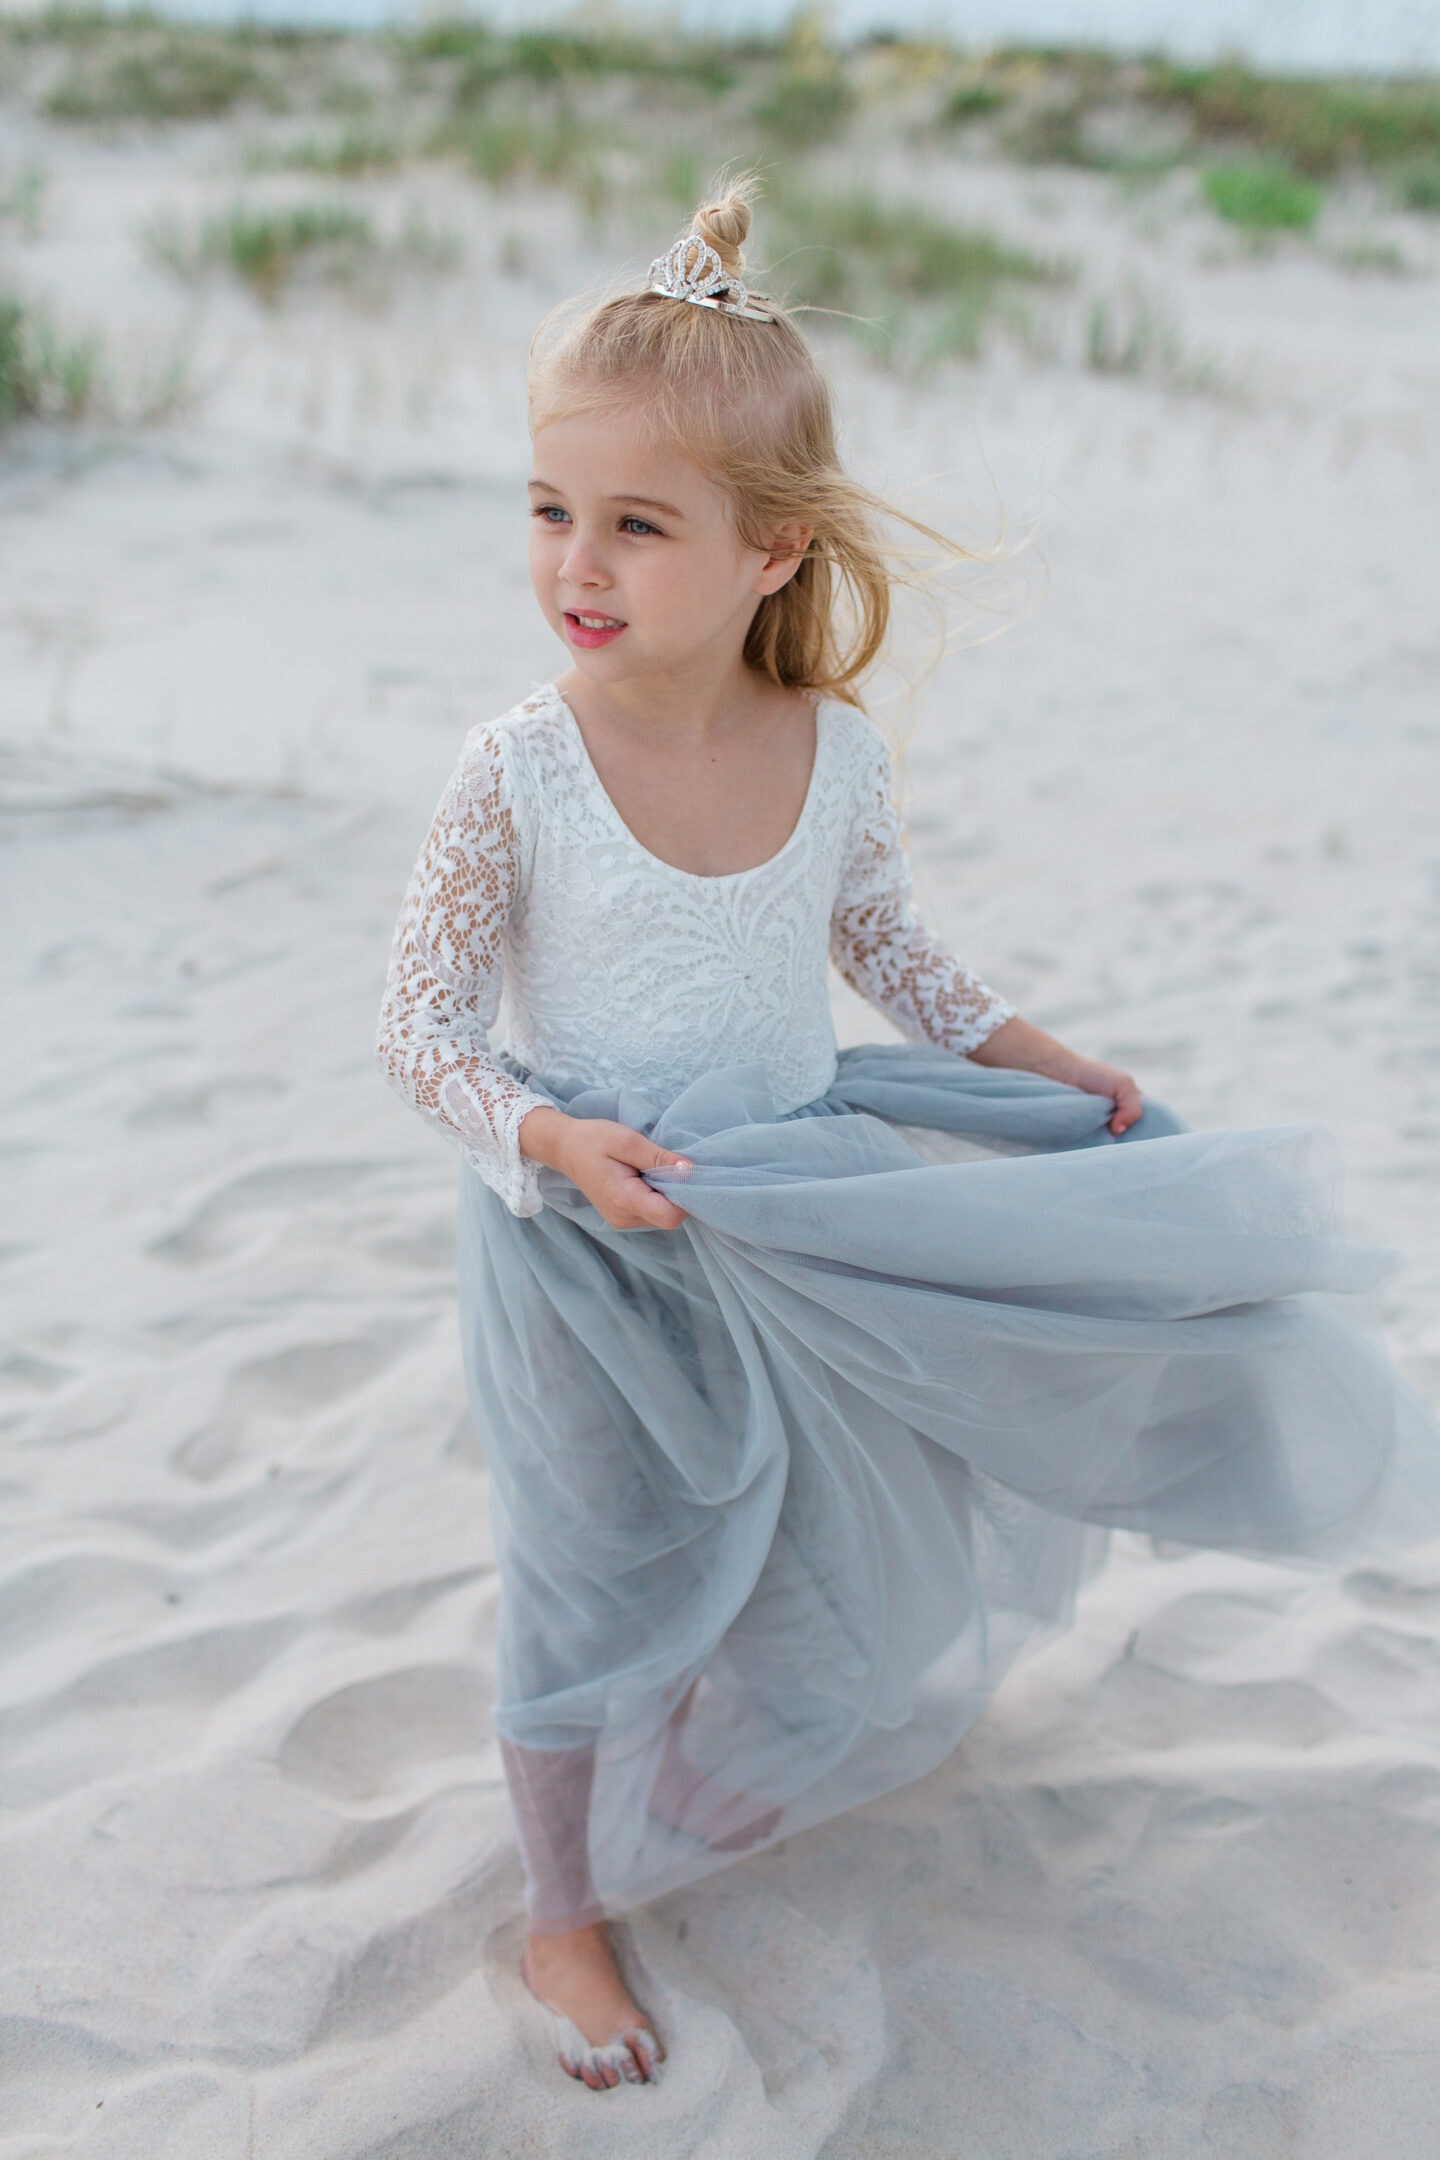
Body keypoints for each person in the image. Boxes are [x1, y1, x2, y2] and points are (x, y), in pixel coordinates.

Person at [376, 179, 1438, 2091]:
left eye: (637, 521)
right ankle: (559, 1916)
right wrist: (549, 1139)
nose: (576, 561)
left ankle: (694, 1785)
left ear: (772, 548)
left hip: (801, 1215)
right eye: (550, 509)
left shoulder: (832, 747)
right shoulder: (518, 767)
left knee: (794, 1536)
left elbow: (887, 952)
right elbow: (421, 1033)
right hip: (589, 1244)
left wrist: (1041, 1059)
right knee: (590, 1563)